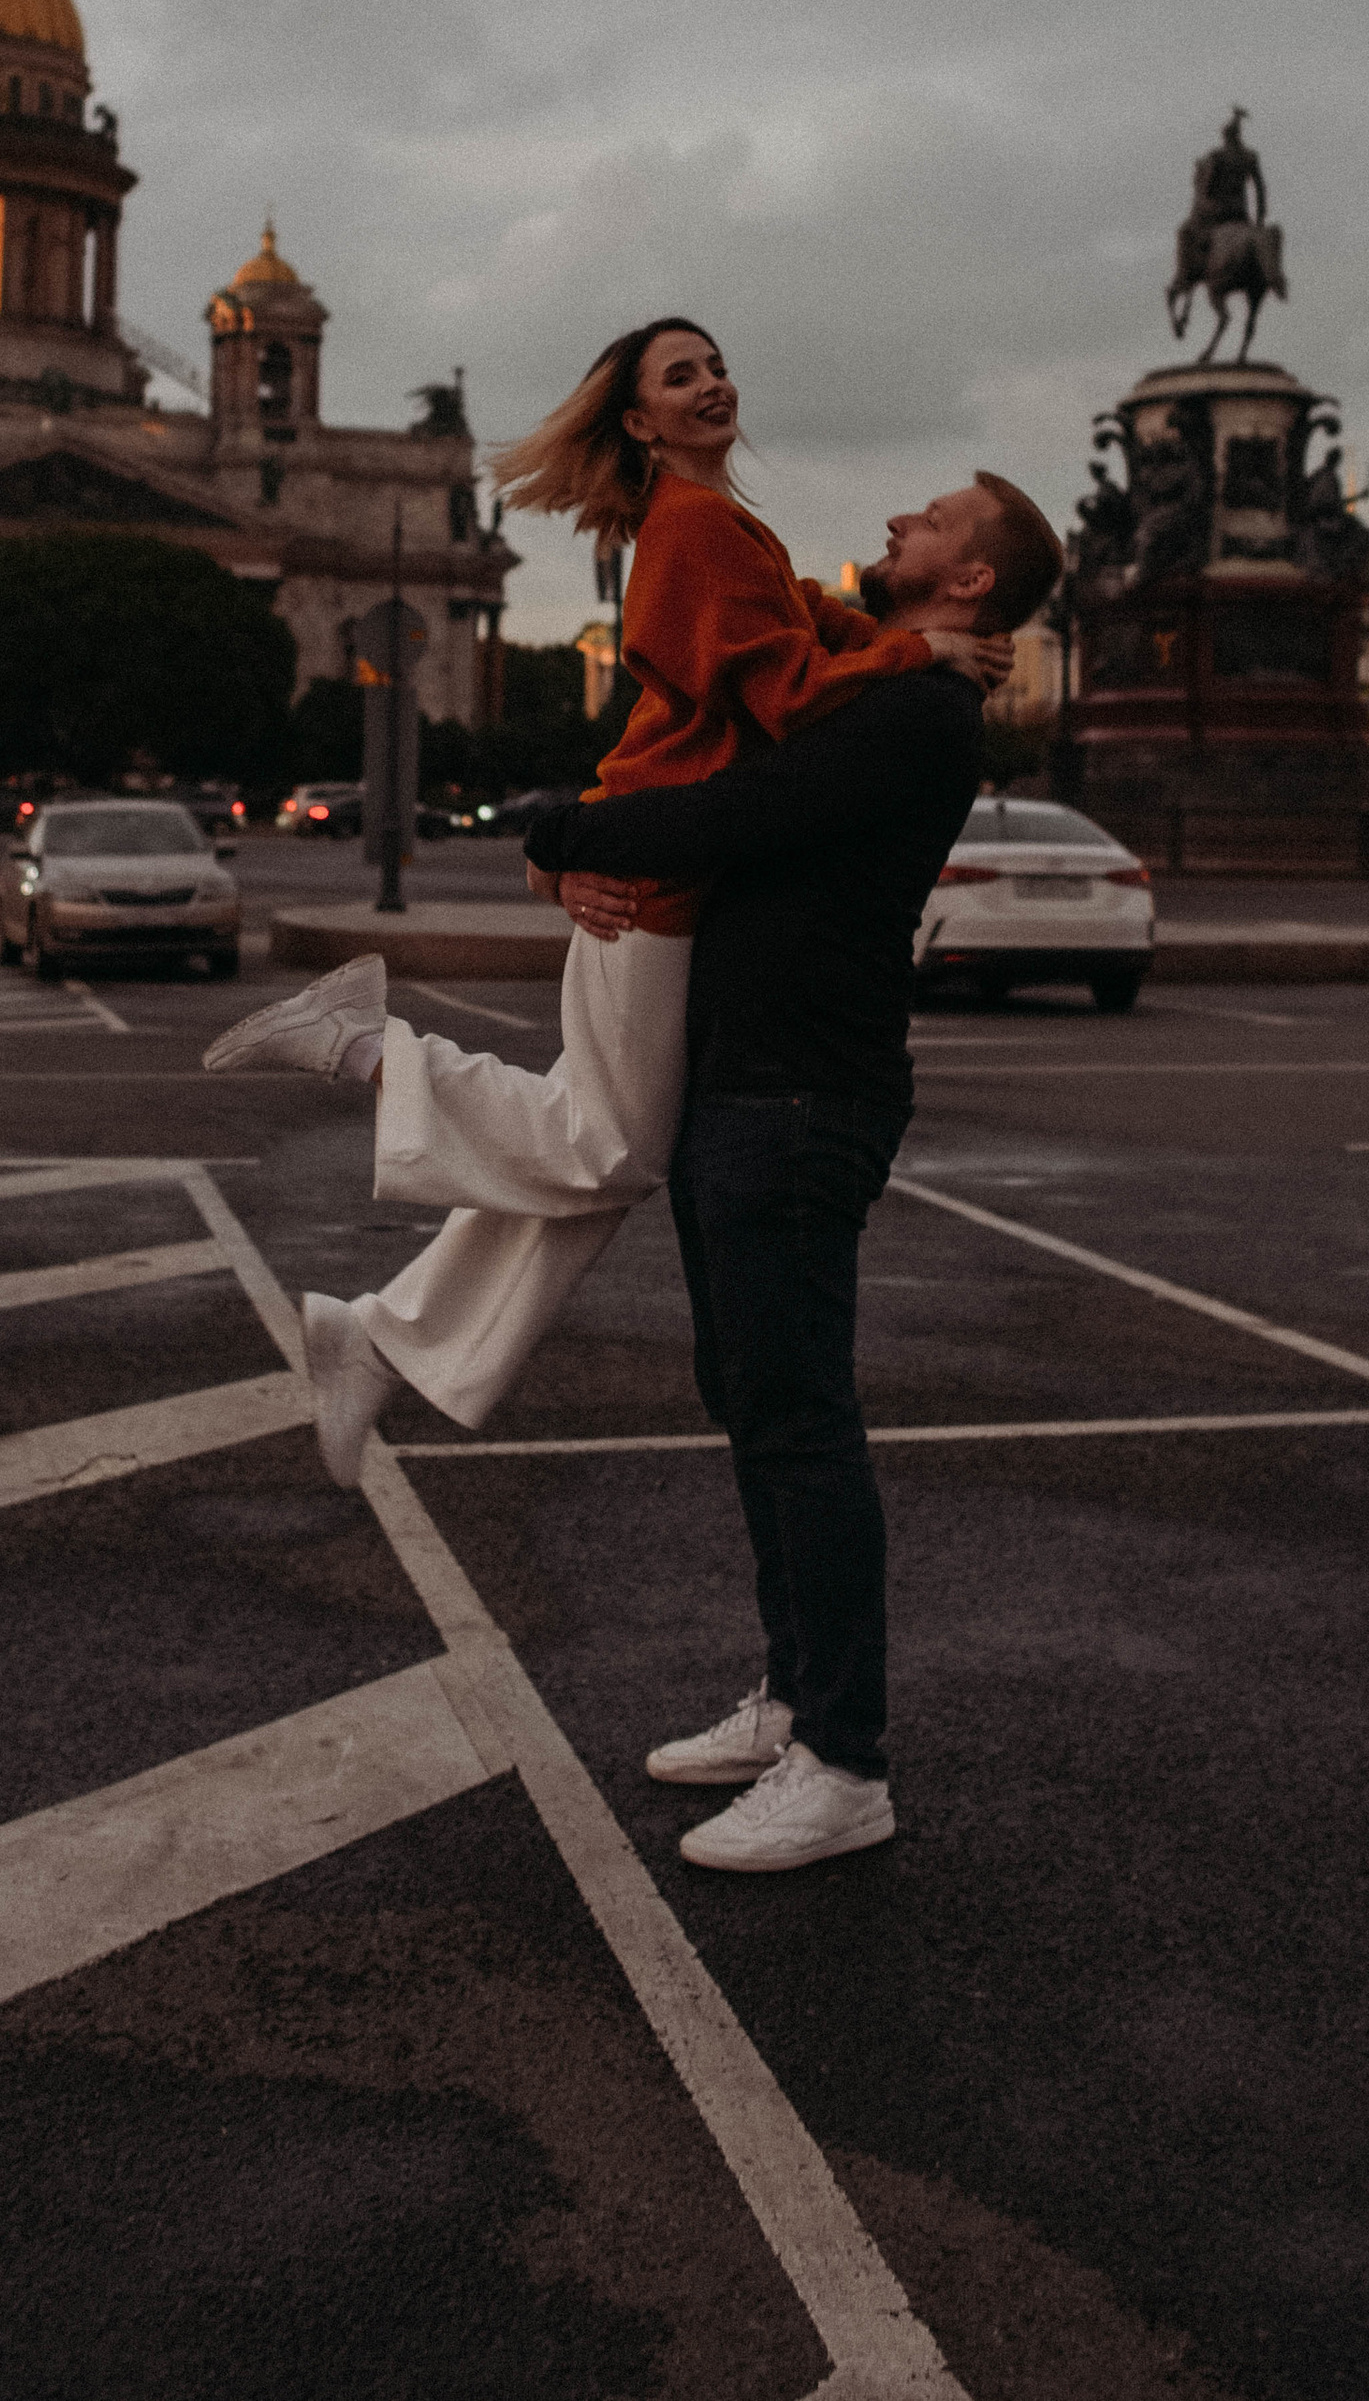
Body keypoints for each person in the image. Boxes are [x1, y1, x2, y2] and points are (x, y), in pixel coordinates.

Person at [203, 319, 1009, 1478]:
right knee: (608, 1152)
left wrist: (904, 639)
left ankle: (376, 1340)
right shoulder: (690, 531)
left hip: (659, 865)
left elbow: (813, 630)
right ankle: (362, 1044)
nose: (712, 383)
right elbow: (789, 694)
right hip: (654, 875)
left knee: (589, 1149)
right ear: (637, 421)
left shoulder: (722, 530)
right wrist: (920, 656)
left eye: (716, 364)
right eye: (679, 376)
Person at [523, 469, 1062, 1874]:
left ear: (975, 579)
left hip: (801, 1097)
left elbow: (726, 818)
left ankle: (845, 1759)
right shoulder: (892, 681)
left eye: (932, 521)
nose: (898, 524)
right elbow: (779, 643)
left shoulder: (913, 716)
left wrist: (554, 828)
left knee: (800, 1416)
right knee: (756, 1402)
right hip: (751, 1086)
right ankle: (795, 1699)